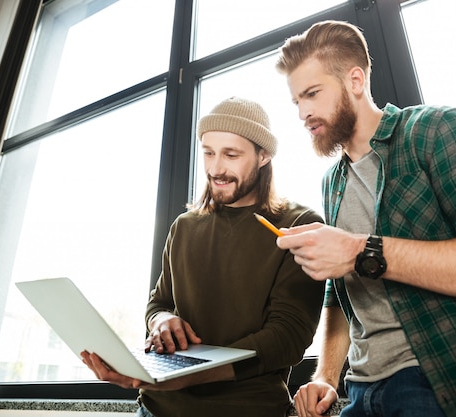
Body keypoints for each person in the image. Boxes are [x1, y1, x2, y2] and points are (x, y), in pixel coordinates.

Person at [274, 20, 456, 417]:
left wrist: (363, 250)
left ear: (355, 80)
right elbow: (341, 296)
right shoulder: (333, 183)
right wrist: (326, 375)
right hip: (360, 392)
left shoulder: (436, 130)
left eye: (312, 94)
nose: (303, 112)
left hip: (446, 380)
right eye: (296, 102)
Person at [81, 96, 325, 417]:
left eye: (231, 154)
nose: (216, 168)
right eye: (208, 153)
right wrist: (162, 320)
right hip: (155, 409)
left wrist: (181, 377)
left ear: (263, 156)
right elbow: (158, 303)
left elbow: (287, 338)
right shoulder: (184, 226)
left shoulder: (299, 225)